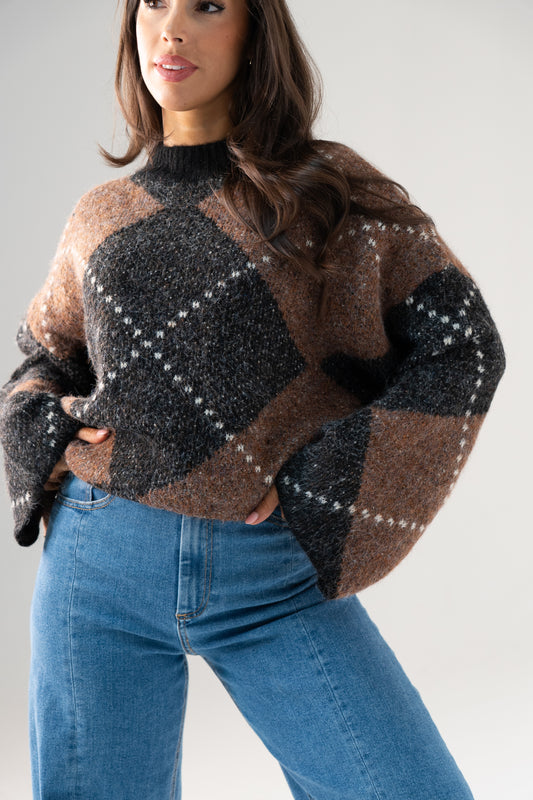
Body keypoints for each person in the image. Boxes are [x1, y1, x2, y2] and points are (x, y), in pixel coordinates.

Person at [0, 0, 506, 798]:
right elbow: (44, 353)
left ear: (255, 31)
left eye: (207, 5)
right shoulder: (101, 214)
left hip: (268, 571)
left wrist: (326, 478)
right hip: (98, 563)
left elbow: (463, 346)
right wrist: (40, 421)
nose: (172, 28)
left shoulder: (331, 191)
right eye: (153, 3)